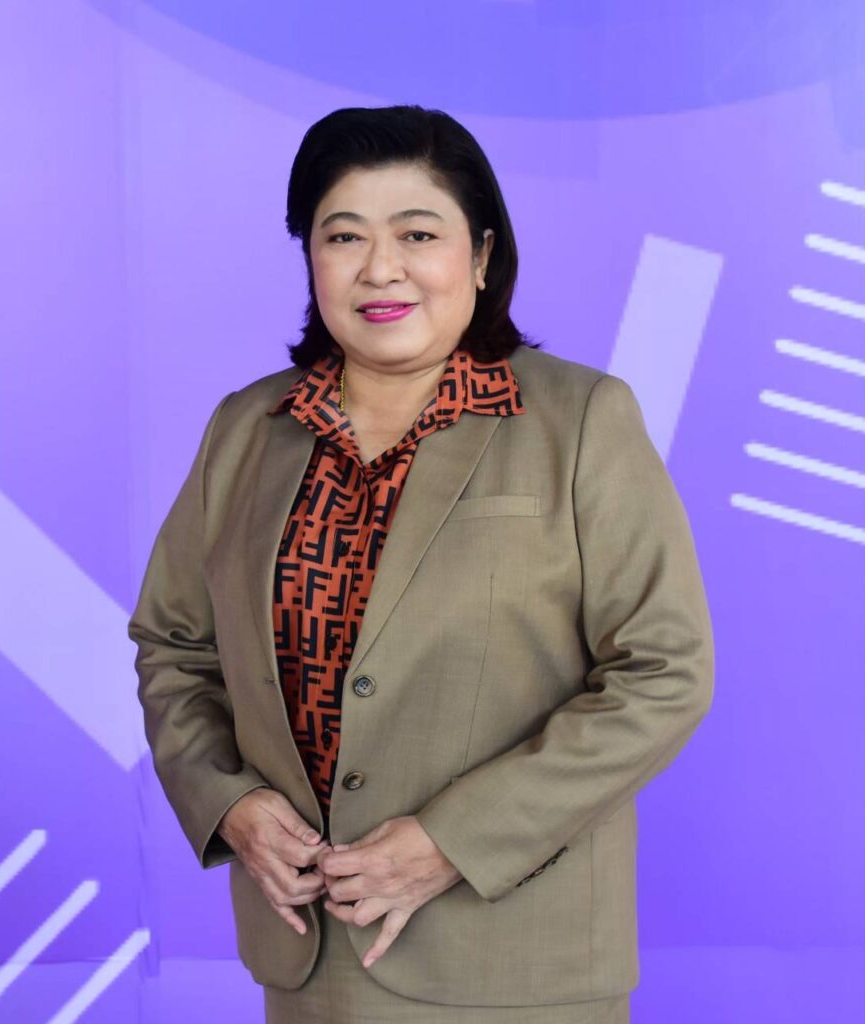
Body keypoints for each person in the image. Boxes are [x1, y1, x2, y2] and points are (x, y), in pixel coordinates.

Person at [128, 104, 714, 1023]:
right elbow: (175, 646)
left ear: (480, 256)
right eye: (344, 236)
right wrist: (227, 802)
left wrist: (453, 840)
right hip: (308, 951)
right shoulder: (246, 429)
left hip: (514, 951)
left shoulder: (580, 420)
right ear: (311, 258)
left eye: (417, 233)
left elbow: (663, 672)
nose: (380, 268)